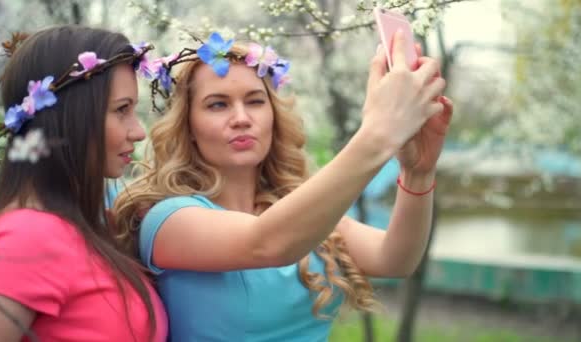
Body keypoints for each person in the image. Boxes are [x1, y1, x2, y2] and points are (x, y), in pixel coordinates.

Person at [114, 30, 452, 341]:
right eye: (218, 104)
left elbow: (396, 259)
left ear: (273, 115)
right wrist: (377, 135)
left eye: (255, 101)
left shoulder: (298, 214)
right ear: (188, 126)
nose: (241, 117)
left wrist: (418, 173)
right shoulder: (170, 219)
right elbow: (267, 243)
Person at [0, 25, 167, 341]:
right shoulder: (27, 237)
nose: (138, 131)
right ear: (68, 114)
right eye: (122, 110)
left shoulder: (86, 228)